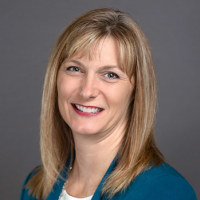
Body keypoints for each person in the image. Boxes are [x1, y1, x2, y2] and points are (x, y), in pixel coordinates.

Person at [20, 8, 197, 200]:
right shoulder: (35, 187)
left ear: (136, 92)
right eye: (75, 69)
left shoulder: (164, 191)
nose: (87, 91)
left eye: (110, 75)